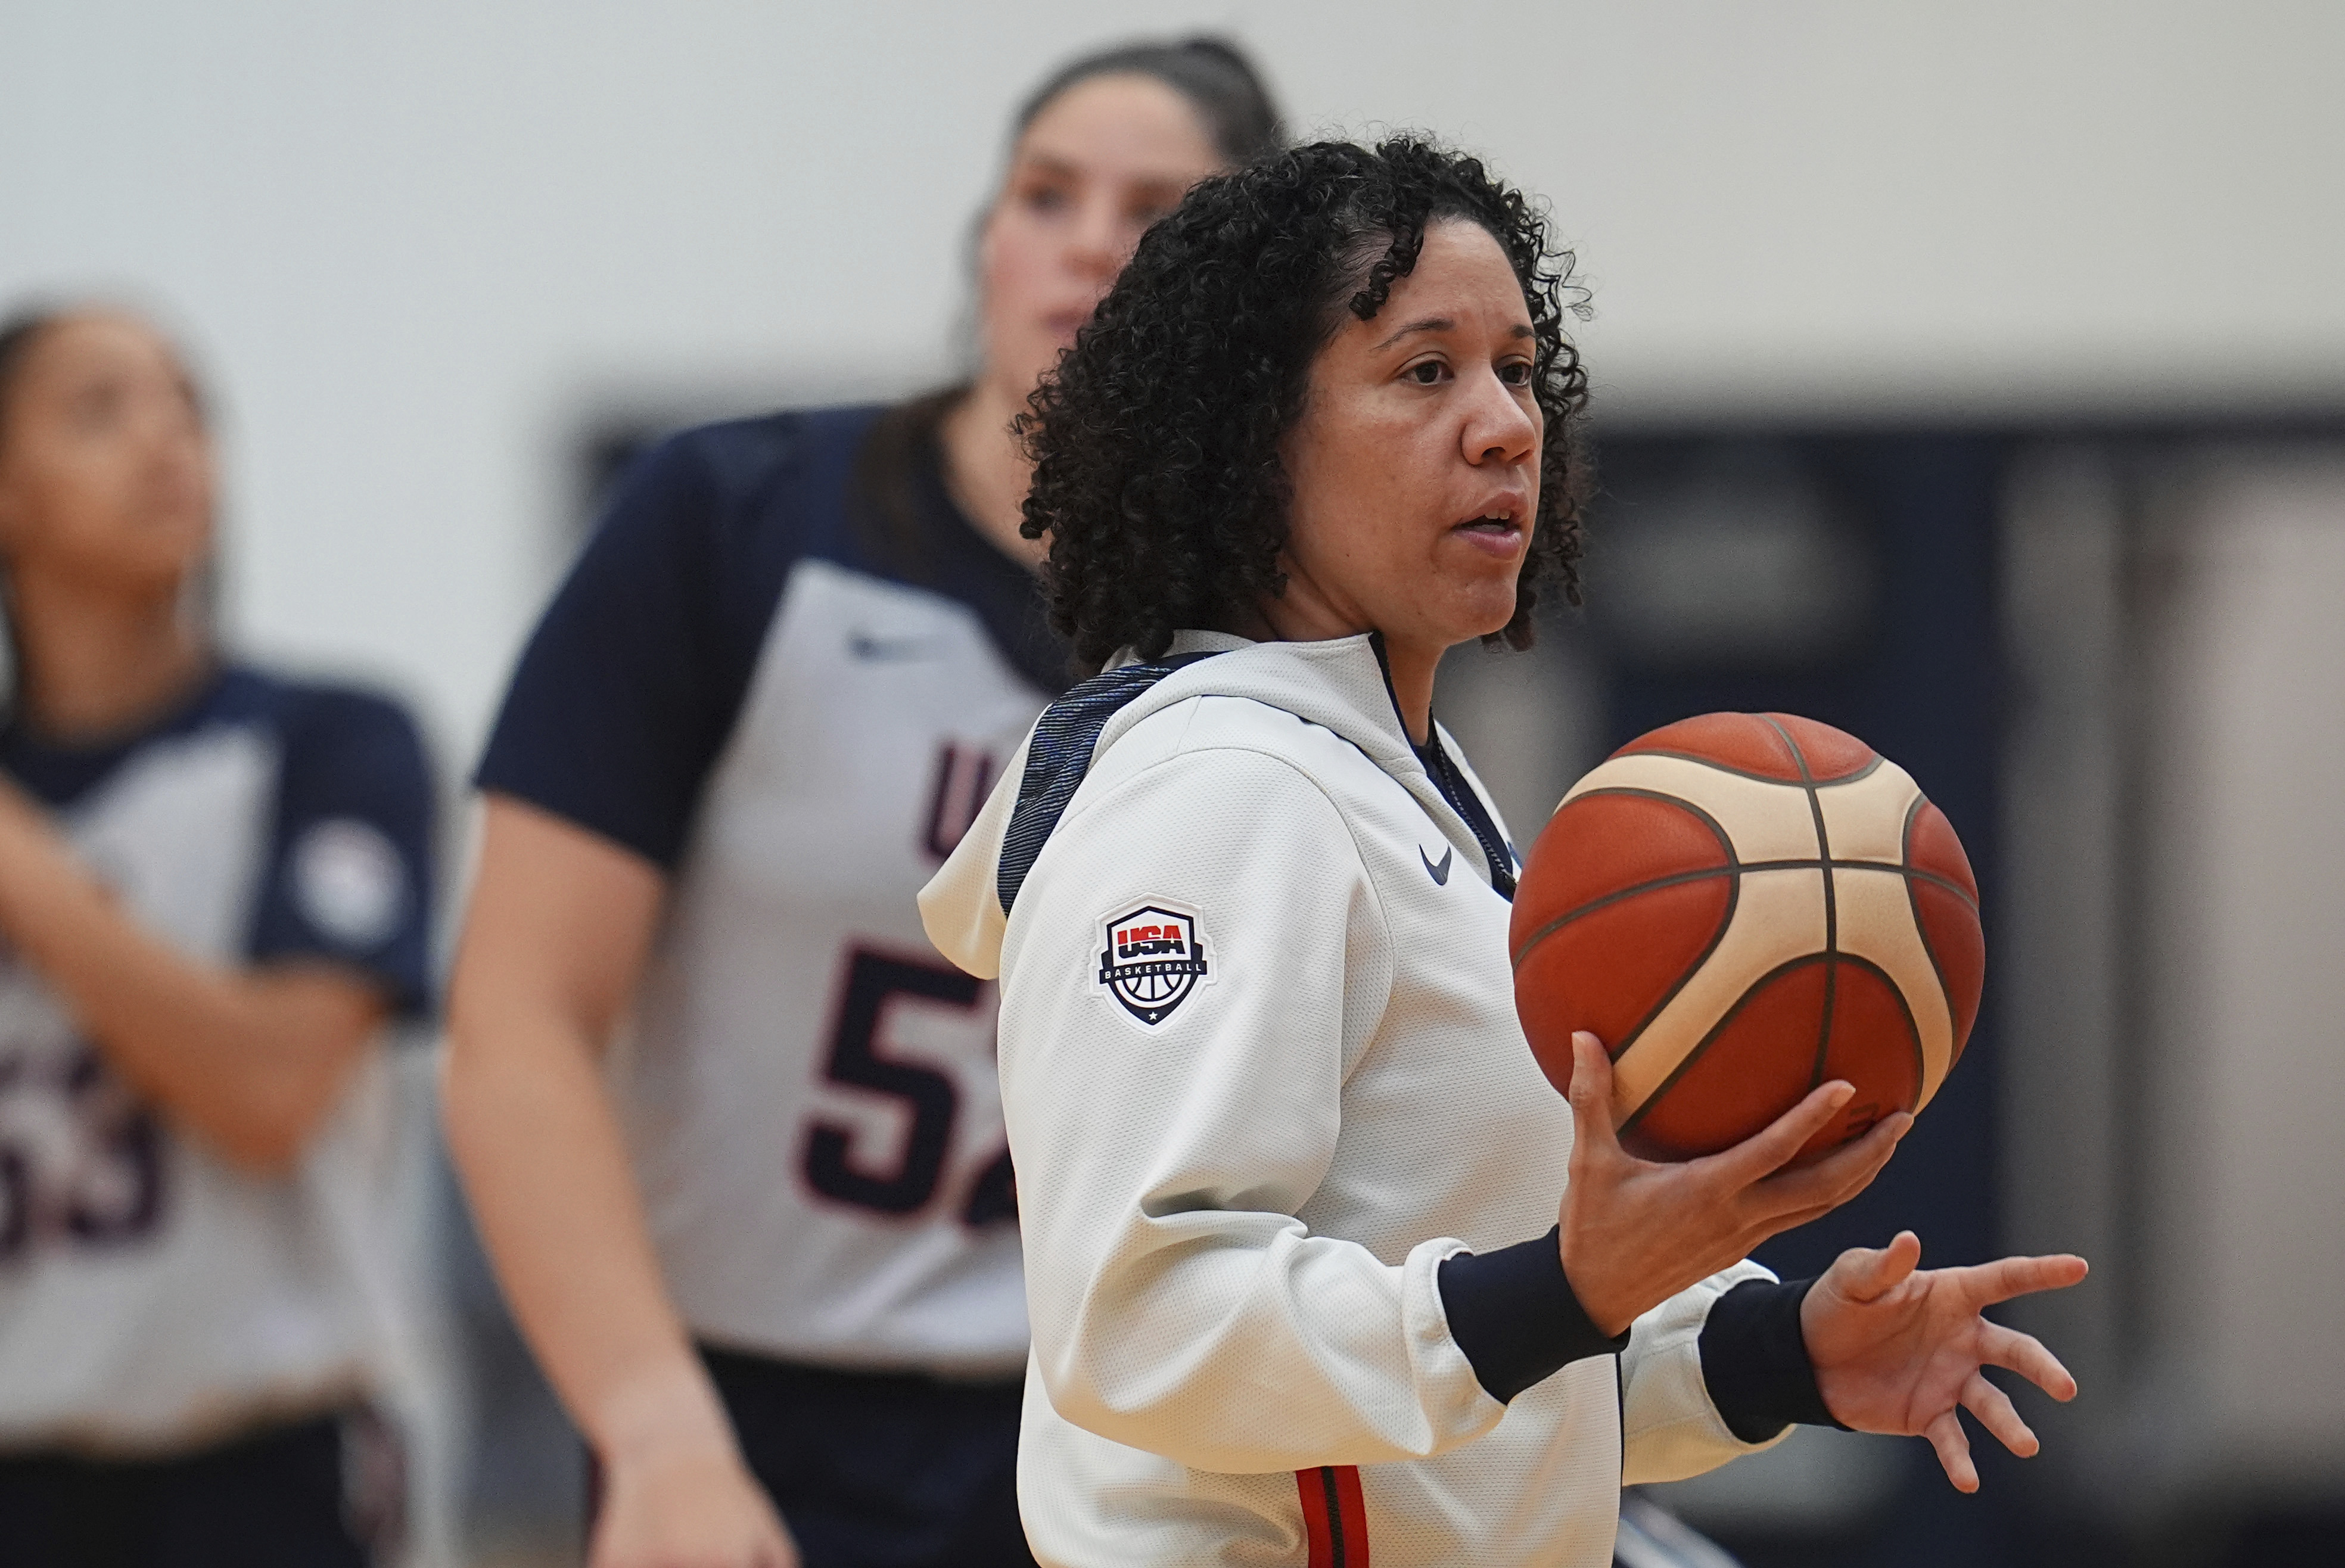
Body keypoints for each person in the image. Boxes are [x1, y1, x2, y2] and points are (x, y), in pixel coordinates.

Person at [918, 137, 2090, 1567]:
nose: (1505, 426)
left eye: (1520, 370)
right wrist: (1563, 1285)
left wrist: (1789, 1349)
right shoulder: (1222, 796)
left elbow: (1476, 1378)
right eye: (1426, 372)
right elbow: (1148, 1325)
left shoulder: (1404, 778)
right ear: (1250, 435)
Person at [441, 37, 1282, 1568]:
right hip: (756, 1415)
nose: (1089, 236)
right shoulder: (732, 523)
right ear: (987, 245)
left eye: (1151, 207)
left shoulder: (1288, 629)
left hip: (1144, 1436)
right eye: (1046, 192)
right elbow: (514, 1019)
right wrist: (655, 1431)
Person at [0, 306, 437, 1564]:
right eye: (98, 407)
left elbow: (270, 1083)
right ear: (10, 496)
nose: (162, 438)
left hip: (266, 1462)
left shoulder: (331, 738)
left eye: (185, 404)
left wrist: (29, 869)